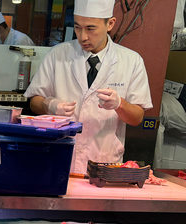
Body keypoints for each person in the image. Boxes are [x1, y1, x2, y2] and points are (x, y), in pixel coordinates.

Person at [24, 0, 153, 174]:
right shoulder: (57, 55)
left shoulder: (131, 61)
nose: (82, 36)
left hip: (104, 164)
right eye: (77, 27)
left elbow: (137, 117)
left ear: (110, 24)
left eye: (90, 28)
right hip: (58, 158)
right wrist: (50, 105)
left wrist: (119, 104)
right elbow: (34, 102)